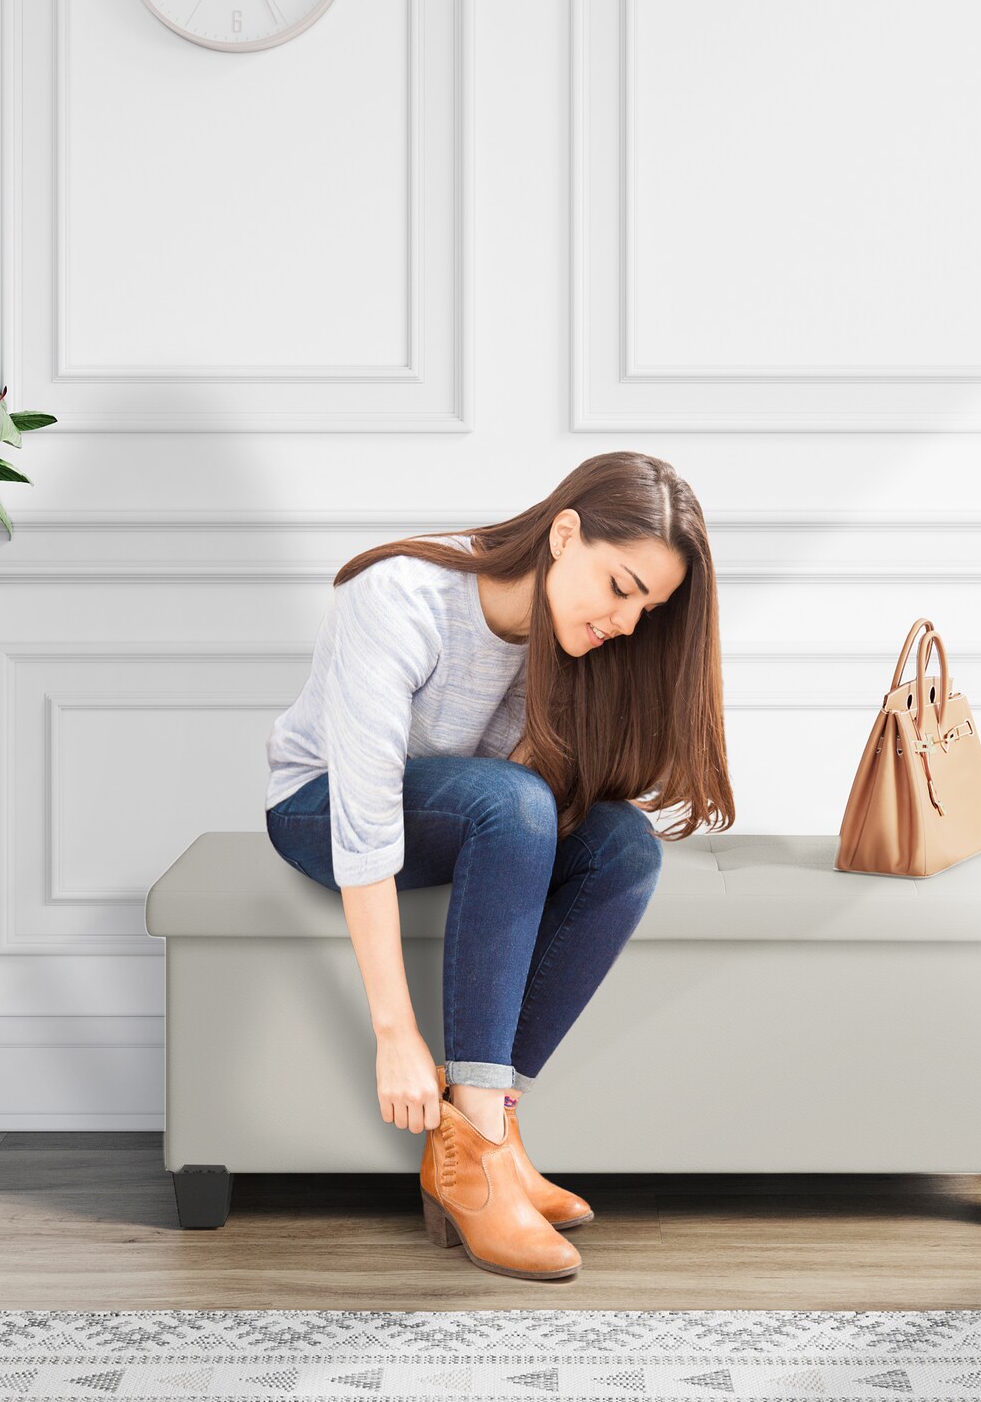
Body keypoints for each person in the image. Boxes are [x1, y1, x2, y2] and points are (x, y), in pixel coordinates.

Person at [264, 450, 735, 1281]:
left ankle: (487, 1132)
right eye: (621, 586)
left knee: (623, 845)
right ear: (564, 534)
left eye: (648, 607)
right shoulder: (401, 597)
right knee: (512, 802)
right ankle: (479, 1152)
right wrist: (396, 1034)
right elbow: (367, 814)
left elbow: (538, 807)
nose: (627, 621)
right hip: (320, 803)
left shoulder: (571, 646)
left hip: (462, 812)